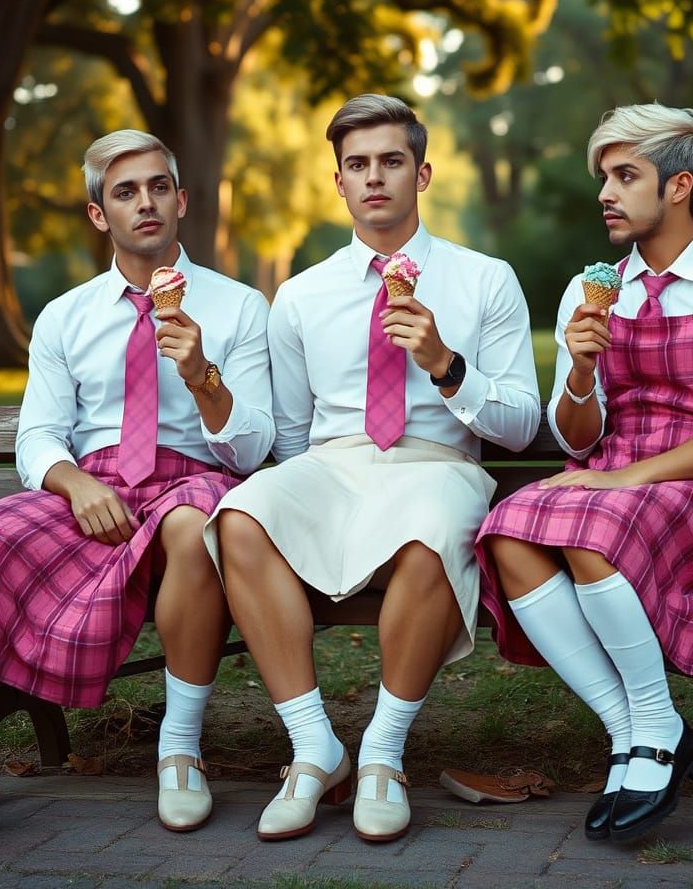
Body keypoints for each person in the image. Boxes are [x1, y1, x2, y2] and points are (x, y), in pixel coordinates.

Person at [0, 130, 274, 850]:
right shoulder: (66, 315)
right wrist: (76, 482)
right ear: (100, 216)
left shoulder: (242, 307)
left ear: (181, 201)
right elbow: (38, 436)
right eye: (124, 192)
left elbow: (253, 449)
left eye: (158, 187)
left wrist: (202, 375)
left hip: (197, 482)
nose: (144, 203)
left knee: (193, 526)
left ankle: (179, 750)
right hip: (95, 488)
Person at [205, 94, 540, 844]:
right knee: (241, 517)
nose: (374, 177)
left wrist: (445, 365)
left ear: (422, 173)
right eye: (357, 164)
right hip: (337, 465)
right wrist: (312, 505)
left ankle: (384, 756)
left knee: (432, 531)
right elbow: (290, 437)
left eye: (391, 161)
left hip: (437, 464)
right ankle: (314, 749)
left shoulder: (484, 279)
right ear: (339, 183)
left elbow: (521, 426)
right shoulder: (301, 295)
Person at [476, 103, 693, 842]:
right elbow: (577, 438)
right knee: (506, 532)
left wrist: (624, 481)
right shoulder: (592, 292)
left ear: (679, 186)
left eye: (626, 176)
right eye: (604, 177)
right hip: (612, 482)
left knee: (595, 524)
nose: (605, 194)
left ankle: (649, 732)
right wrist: (581, 369)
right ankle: (642, 729)